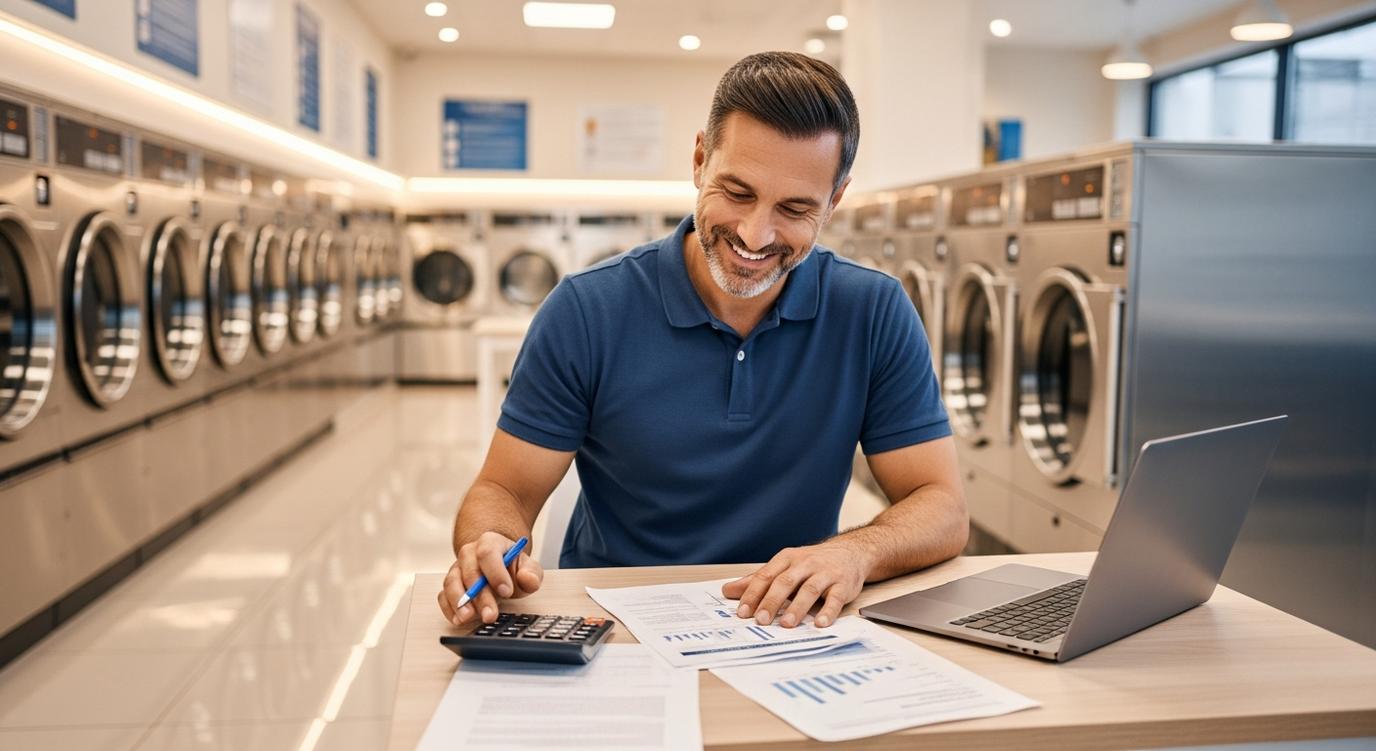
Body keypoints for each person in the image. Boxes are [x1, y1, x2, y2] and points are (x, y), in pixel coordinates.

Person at [438, 51, 966, 632]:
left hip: (786, 623)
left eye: (794, 209)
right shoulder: (588, 309)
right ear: (699, 160)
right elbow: (505, 487)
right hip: (614, 624)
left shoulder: (873, 311)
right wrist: (489, 542)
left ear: (834, 201)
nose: (754, 234)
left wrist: (855, 552)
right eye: (737, 192)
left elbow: (941, 505)